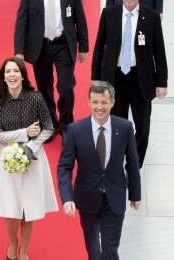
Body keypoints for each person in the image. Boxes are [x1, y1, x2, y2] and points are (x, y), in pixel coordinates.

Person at [57, 81, 141, 260]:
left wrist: (135, 194)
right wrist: (66, 197)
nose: (99, 107)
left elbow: (132, 163)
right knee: (93, 251)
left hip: (114, 197)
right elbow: (64, 166)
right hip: (86, 198)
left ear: (112, 102)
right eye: (95, 102)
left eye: (104, 102)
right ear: (88, 102)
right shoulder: (75, 130)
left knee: (110, 250)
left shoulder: (125, 128)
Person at [92, 0, 168, 168]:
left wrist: (162, 82)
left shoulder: (151, 17)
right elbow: (99, 46)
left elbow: (159, 51)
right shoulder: (109, 14)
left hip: (140, 79)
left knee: (142, 126)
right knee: (116, 125)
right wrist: (97, 79)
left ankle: (134, 164)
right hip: (114, 78)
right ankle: (116, 163)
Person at [0, 57, 58, 260]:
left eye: (16, 71)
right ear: (3, 76)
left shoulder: (35, 98)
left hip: (33, 157)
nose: (12, 75)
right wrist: (24, 133)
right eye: (8, 71)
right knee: (11, 209)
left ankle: (24, 249)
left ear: (22, 75)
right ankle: (13, 242)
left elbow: (48, 128)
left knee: (29, 208)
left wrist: (31, 145)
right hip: (7, 158)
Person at [14, 0, 89, 144]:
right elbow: (21, 20)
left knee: (65, 87)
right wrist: (19, 51)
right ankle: (51, 124)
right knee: (44, 87)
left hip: (64, 44)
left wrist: (84, 47)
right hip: (40, 46)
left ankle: (66, 126)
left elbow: (80, 18)